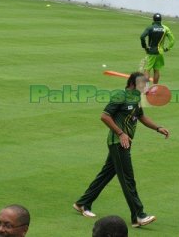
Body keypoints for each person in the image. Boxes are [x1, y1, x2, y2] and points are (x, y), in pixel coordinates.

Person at [73, 72, 170, 228]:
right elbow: (105, 116)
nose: (146, 87)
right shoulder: (121, 95)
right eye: (142, 84)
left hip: (124, 143)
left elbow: (141, 117)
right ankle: (138, 215)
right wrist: (121, 133)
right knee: (127, 179)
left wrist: (158, 128)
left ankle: (82, 203)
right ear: (132, 84)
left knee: (106, 174)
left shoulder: (137, 98)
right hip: (118, 143)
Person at [140, 14, 175, 84]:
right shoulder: (165, 28)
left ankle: (146, 89)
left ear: (153, 19)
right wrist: (168, 48)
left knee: (147, 69)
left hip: (151, 51)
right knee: (156, 70)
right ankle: (154, 88)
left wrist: (145, 47)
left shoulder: (150, 27)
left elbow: (142, 37)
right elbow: (172, 40)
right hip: (160, 52)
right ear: (161, 20)